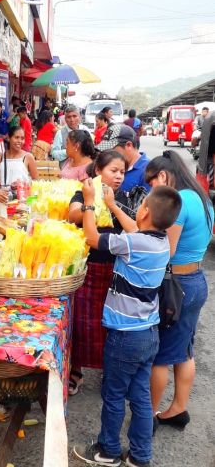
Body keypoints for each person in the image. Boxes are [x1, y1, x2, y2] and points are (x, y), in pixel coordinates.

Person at [74, 182, 182, 467]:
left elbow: (92, 237)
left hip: (125, 337)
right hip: (148, 335)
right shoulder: (160, 245)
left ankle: (107, 451)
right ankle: (140, 456)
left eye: (141, 205)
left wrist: (88, 202)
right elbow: (135, 227)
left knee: (113, 395)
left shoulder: (132, 244)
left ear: (144, 211)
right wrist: (111, 205)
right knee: (141, 398)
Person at [144, 150, 214, 432]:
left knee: (160, 355)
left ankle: (147, 417)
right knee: (184, 350)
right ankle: (178, 409)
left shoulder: (180, 201)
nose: (152, 192)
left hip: (177, 286)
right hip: (195, 280)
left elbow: (167, 250)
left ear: (163, 176)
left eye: (152, 185)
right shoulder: (201, 197)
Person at [68, 151, 133, 395]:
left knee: (110, 324)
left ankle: (109, 369)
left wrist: (112, 206)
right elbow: (73, 214)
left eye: (122, 172)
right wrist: (91, 200)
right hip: (88, 269)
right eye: (113, 170)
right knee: (81, 323)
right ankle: (76, 369)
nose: (118, 176)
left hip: (115, 270)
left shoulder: (122, 197)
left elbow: (134, 229)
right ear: (98, 171)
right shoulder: (83, 192)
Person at [97, 124, 150, 193]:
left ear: (128, 145)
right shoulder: (108, 164)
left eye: (112, 150)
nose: (107, 154)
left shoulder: (149, 170)